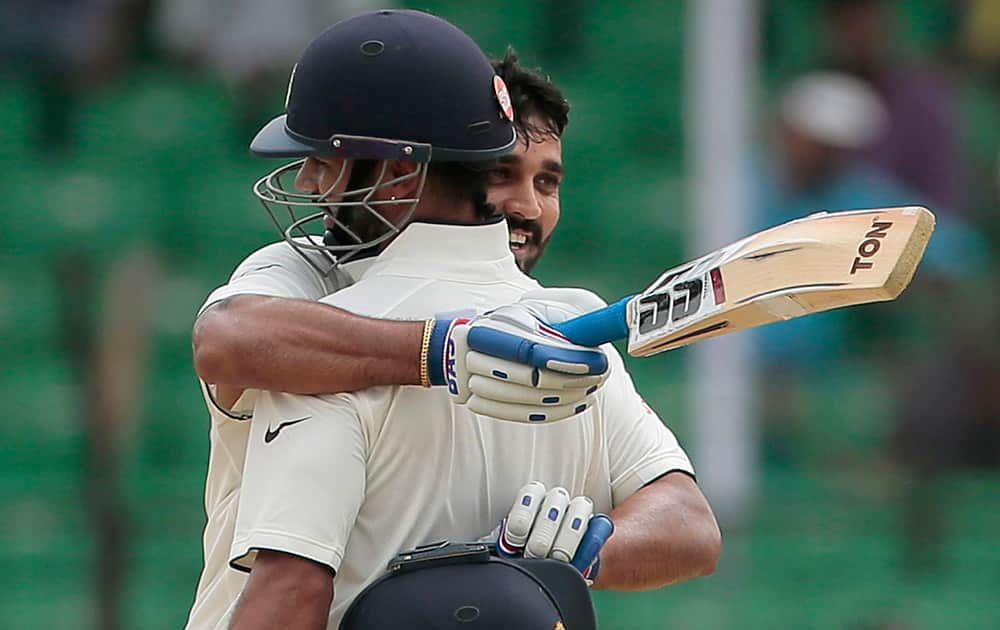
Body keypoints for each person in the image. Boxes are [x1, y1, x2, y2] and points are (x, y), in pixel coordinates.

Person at [223, 10, 719, 629]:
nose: (309, 181)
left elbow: (293, 592)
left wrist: (584, 544)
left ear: (401, 175)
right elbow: (228, 339)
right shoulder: (568, 335)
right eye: (506, 173)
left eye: (325, 160)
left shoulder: (322, 346)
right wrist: (441, 351)